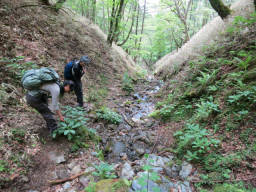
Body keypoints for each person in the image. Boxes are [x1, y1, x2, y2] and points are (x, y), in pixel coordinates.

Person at [22, 67, 74, 134]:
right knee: (47, 112)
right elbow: (54, 106)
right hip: (33, 97)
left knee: (46, 109)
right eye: (70, 88)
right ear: (67, 86)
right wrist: (58, 116)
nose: (70, 91)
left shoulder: (57, 83)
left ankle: (49, 126)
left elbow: (54, 102)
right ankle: (54, 131)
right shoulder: (56, 89)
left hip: (37, 95)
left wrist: (59, 114)